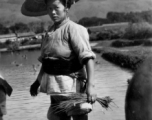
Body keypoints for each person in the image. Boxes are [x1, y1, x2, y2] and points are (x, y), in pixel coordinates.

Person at [21, 0, 96, 120]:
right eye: (49, 8)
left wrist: (90, 87)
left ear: (66, 7)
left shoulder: (74, 29)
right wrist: (37, 82)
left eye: (56, 8)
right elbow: (47, 62)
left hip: (73, 89)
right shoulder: (50, 33)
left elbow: (88, 58)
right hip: (56, 90)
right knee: (55, 117)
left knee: (79, 116)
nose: (53, 12)